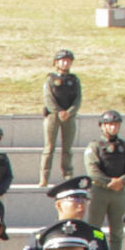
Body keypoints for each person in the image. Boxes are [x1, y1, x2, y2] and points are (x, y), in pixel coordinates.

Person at [86, 113, 125, 250]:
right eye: (110, 124)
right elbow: (92, 170)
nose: (113, 127)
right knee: (94, 229)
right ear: (102, 126)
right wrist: (108, 182)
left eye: (116, 124)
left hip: (118, 193)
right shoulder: (95, 146)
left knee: (117, 230)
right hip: (99, 191)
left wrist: (121, 181)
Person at [40, 50, 82, 187]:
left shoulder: (74, 80)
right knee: (49, 148)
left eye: (68, 60)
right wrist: (58, 112)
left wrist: (69, 112)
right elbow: (48, 98)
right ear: (56, 62)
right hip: (53, 116)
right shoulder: (51, 79)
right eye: (62, 60)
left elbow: (78, 99)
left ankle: (68, 175)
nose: (65, 63)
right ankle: (44, 177)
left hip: (69, 117)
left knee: (67, 149)